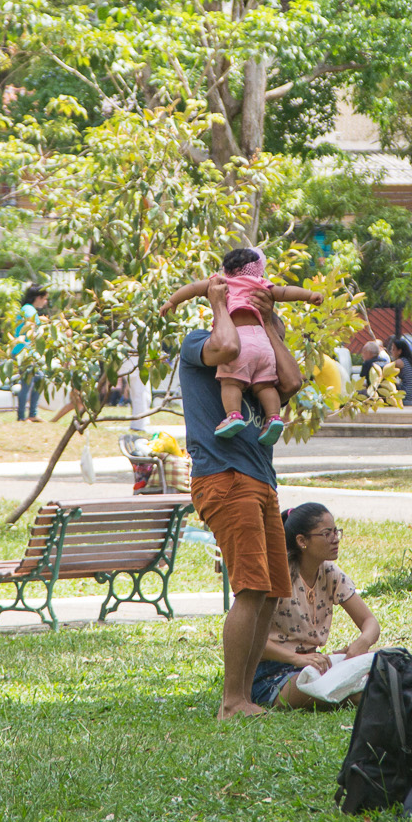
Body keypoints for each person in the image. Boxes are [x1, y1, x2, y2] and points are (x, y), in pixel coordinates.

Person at [178, 281, 302, 718]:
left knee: (269, 593)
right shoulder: (199, 343)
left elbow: (292, 380)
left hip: (262, 481)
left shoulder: (262, 358)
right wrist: (218, 302)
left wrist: (269, 323)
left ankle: (245, 696)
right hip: (226, 477)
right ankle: (232, 702)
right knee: (250, 587)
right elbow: (226, 345)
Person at [163, 247, 325, 445]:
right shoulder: (261, 285)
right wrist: (310, 295)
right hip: (263, 345)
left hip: (243, 341)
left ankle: (233, 415)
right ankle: (274, 417)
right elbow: (285, 292)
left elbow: (193, 288)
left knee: (231, 381)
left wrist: (172, 301)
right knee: (265, 385)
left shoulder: (223, 282)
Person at [253, 504, 382, 710]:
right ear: (302, 541)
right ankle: (363, 688)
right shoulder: (278, 576)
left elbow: (370, 622)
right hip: (272, 676)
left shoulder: (330, 573)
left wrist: (361, 643)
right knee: (343, 688)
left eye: (336, 531)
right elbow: (252, 641)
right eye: (326, 533)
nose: (335, 538)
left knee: (386, 656)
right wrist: (297, 659)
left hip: (314, 664)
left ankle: (360, 685)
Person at [13, 285, 48, 422]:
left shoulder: (30, 309)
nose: (45, 302)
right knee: (27, 384)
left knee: (40, 379)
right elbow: (31, 330)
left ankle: (32, 413)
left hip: (31, 352)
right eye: (44, 299)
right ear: (38, 298)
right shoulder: (28, 310)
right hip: (25, 352)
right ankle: (22, 416)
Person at [388, 336, 412, 407]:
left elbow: (387, 373)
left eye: (393, 349)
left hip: (407, 398)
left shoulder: (399, 362)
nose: (391, 351)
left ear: (399, 351)